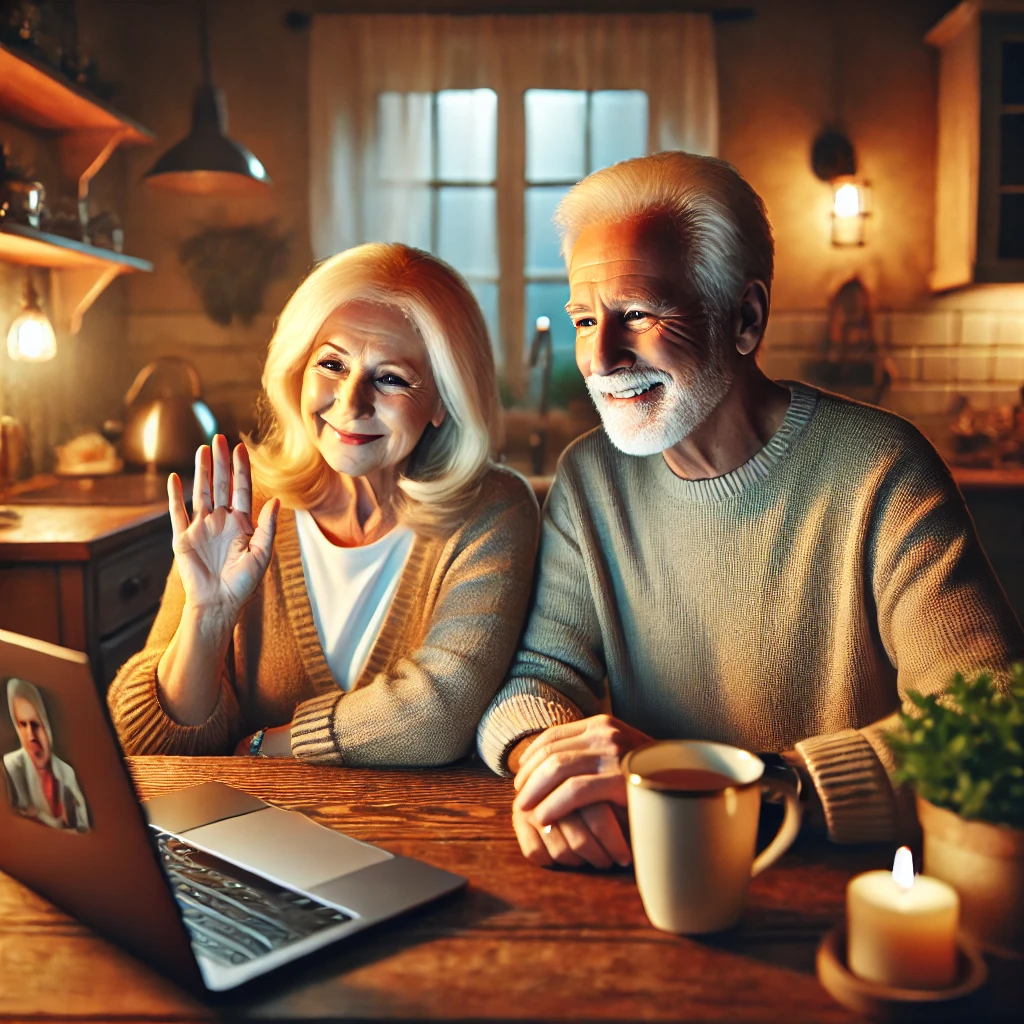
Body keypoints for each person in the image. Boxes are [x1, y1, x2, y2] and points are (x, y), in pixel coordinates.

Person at [476, 151, 1024, 869]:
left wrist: (751, 786)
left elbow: (990, 723)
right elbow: (536, 679)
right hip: (667, 868)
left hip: (857, 881)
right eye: (584, 320)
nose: (601, 357)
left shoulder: (881, 468)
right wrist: (548, 763)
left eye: (637, 314)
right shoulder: (591, 479)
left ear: (745, 317)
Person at [108, 243, 538, 765]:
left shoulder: (492, 509)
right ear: (298, 371)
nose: (351, 401)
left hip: (425, 832)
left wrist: (270, 745)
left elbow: (438, 715)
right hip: (254, 838)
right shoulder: (247, 507)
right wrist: (208, 619)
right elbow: (151, 746)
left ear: (443, 402)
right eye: (332, 363)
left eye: (391, 378)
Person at [4, 678, 90, 832]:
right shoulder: (11, 767)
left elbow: (84, 830)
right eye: (22, 725)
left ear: (46, 725)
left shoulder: (66, 773)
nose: (31, 736)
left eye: (35, 725)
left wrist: (40, 817)